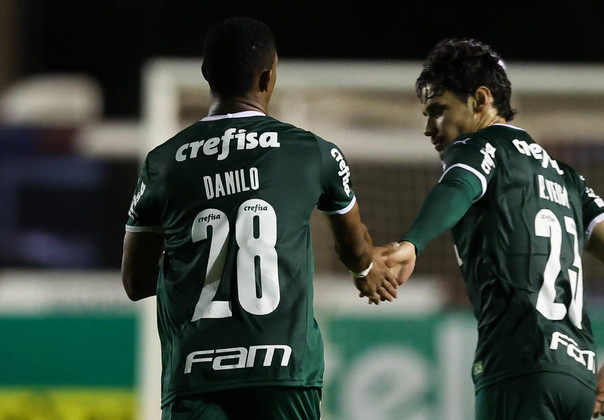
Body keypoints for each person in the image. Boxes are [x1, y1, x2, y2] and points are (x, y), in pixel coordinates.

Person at [121, 17, 401, 420]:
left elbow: (135, 282)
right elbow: (355, 248)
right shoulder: (313, 152)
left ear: (205, 75)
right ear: (269, 77)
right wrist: (367, 270)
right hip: (284, 371)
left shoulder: (163, 163)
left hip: (195, 374)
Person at [382, 38, 604, 419]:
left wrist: (412, 243)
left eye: (437, 110)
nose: (429, 128)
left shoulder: (479, 147)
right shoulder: (567, 177)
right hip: (578, 377)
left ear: (480, 100)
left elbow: (459, 186)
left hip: (519, 366)